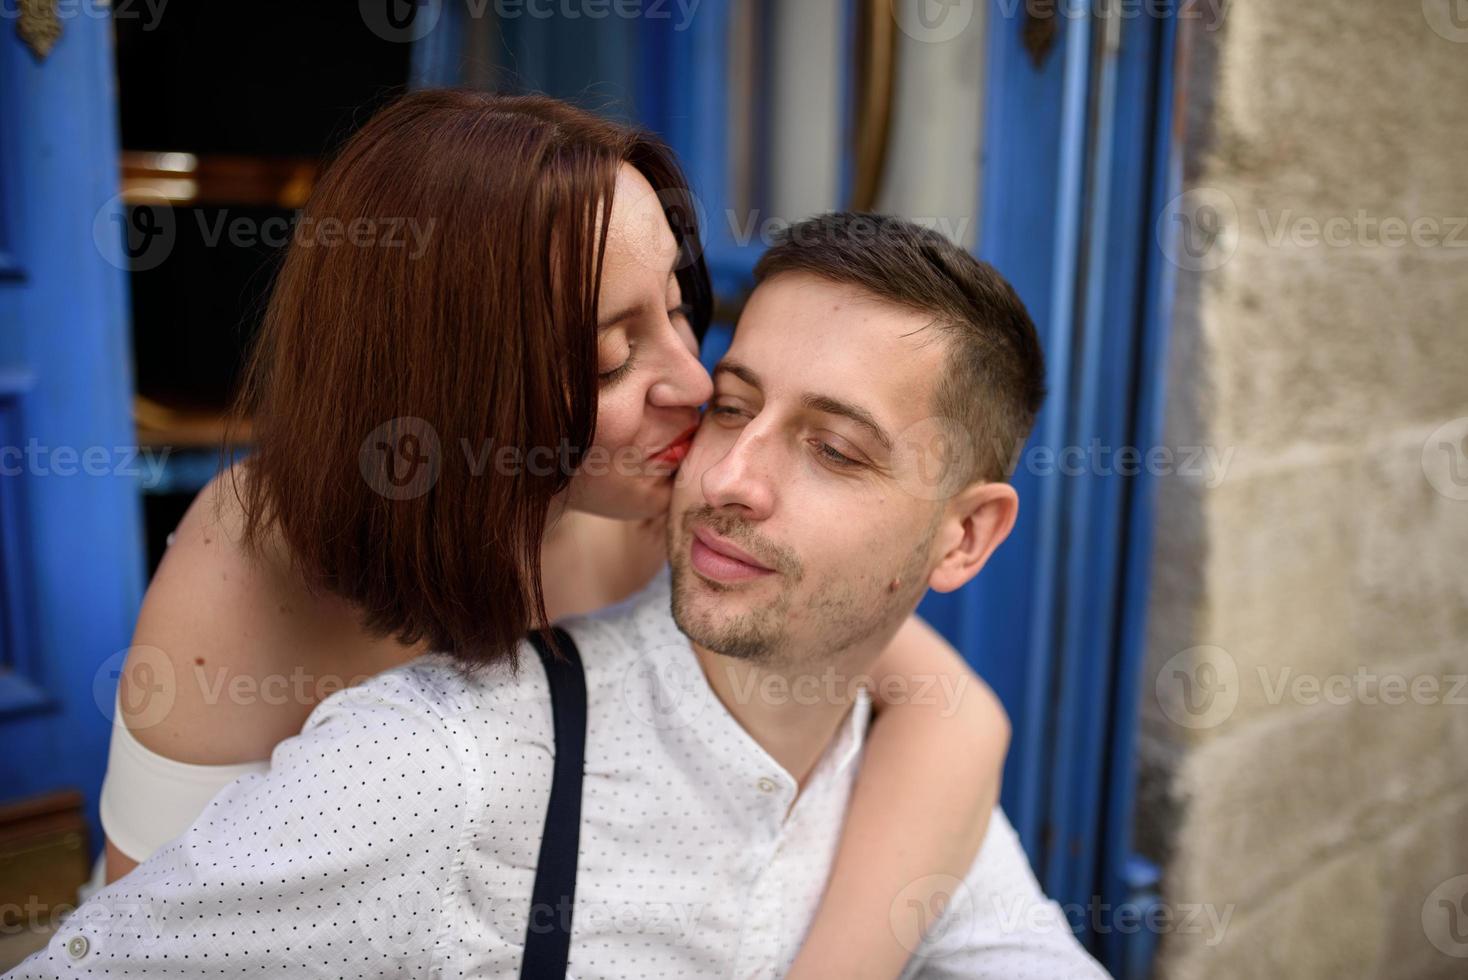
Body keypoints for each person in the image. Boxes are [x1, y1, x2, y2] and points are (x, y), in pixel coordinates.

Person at [9, 212, 1107, 979]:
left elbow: (952, 725)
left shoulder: (856, 721)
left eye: (832, 447)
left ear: (965, 534)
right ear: (474, 383)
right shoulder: (423, 742)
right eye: (609, 355)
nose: (711, 455)